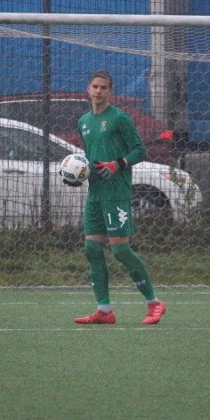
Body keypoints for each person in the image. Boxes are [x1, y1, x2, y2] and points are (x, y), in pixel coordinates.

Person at [66, 70, 166, 325]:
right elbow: (90, 157)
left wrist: (117, 164)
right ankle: (104, 310)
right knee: (92, 248)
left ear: (110, 92)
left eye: (104, 88)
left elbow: (140, 151)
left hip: (116, 193)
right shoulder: (84, 121)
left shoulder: (120, 118)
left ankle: (154, 303)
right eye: (95, 87)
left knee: (120, 249)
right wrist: (78, 172)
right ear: (88, 89)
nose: (98, 91)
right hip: (95, 194)